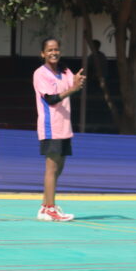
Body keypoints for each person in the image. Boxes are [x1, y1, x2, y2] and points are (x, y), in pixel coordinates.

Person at [33, 37, 86, 222]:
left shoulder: (65, 71)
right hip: (50, 127)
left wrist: (77, 81)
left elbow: (74, 83)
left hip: (65, 127)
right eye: (49, 50)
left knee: (59, 166)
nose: (53, 52)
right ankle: (49, 209)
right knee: (52, 167)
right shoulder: (41, 74)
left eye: (56, 49)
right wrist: (73, 90)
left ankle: (45, 205)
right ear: (43, 54)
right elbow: (51, 99)